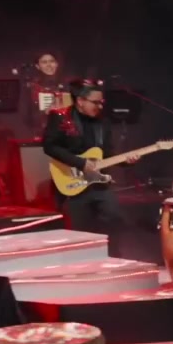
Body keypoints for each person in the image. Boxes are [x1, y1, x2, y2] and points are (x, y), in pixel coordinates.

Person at [41, 80, 139, 236]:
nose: (100, 106)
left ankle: (111, 250)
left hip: (99, 184)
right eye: (95, 102)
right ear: (80, 101)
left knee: (114, 221)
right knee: (81, 232)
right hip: (73, 183)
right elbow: (49, 146)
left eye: (101, 102)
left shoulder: (103, 122)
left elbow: (107, 154)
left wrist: (126, 161)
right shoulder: (60, 117)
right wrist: (80, 163)